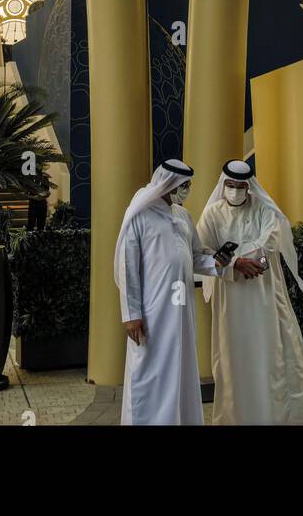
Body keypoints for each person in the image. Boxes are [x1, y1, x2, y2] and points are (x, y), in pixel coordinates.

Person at [197, 159, 303, 425]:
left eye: (240, 186)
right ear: (224, 184)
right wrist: (235, 265)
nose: (235, 190)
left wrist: (254, 264)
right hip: (230, 302)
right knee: (234, 363)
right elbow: (202, 254)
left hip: (264, 298)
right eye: (230, 185)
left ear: (248, 186)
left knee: (270, 358)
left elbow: (270, 249)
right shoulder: (212, 214)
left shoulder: (265, 210)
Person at [115, 158, 234, 425]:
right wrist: (131, 313)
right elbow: (127, 267)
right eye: (184, 185)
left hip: (181, 310)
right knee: (149, 370)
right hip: (151, 311)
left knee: (179, 369)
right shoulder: (140, 214)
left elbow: (194, 256)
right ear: (169, 184)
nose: (187, 189)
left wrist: (216, 263)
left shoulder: (183, 216)